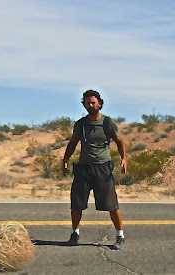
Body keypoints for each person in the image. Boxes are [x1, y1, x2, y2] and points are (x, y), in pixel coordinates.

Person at [62, 89, 128, 250]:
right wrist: (65, 159)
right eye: (87, 103)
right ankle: (75, 233)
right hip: (83, 168)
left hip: (102, 168)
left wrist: (124, 159)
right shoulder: (81, 124)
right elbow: (73, 143)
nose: (90, 105)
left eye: (93, 102)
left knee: (111, 204)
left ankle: (120, 235)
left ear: (99, 103)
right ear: (84, 104)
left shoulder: (107, 123)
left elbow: (119, 141)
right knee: (77, 204)